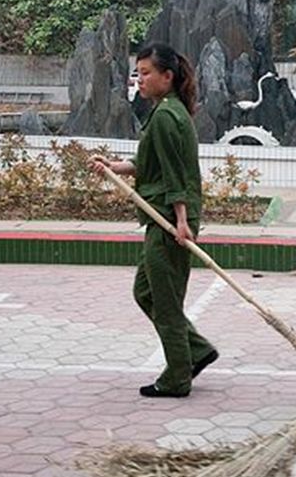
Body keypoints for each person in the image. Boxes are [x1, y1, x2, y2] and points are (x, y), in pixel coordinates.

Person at [88, 43, 218, 398]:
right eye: (138, 73)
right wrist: (114, 167)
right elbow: (151, 163)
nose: (139, 80)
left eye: (146, 73)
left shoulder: (165, 116)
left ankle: (177, 376)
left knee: (165, 301)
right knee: (146, 291)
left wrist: (180, 220)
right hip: (162, 217)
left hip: (168, 222)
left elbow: (176, 175)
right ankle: (197, 350)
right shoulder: (169, 111)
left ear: (167, 77)